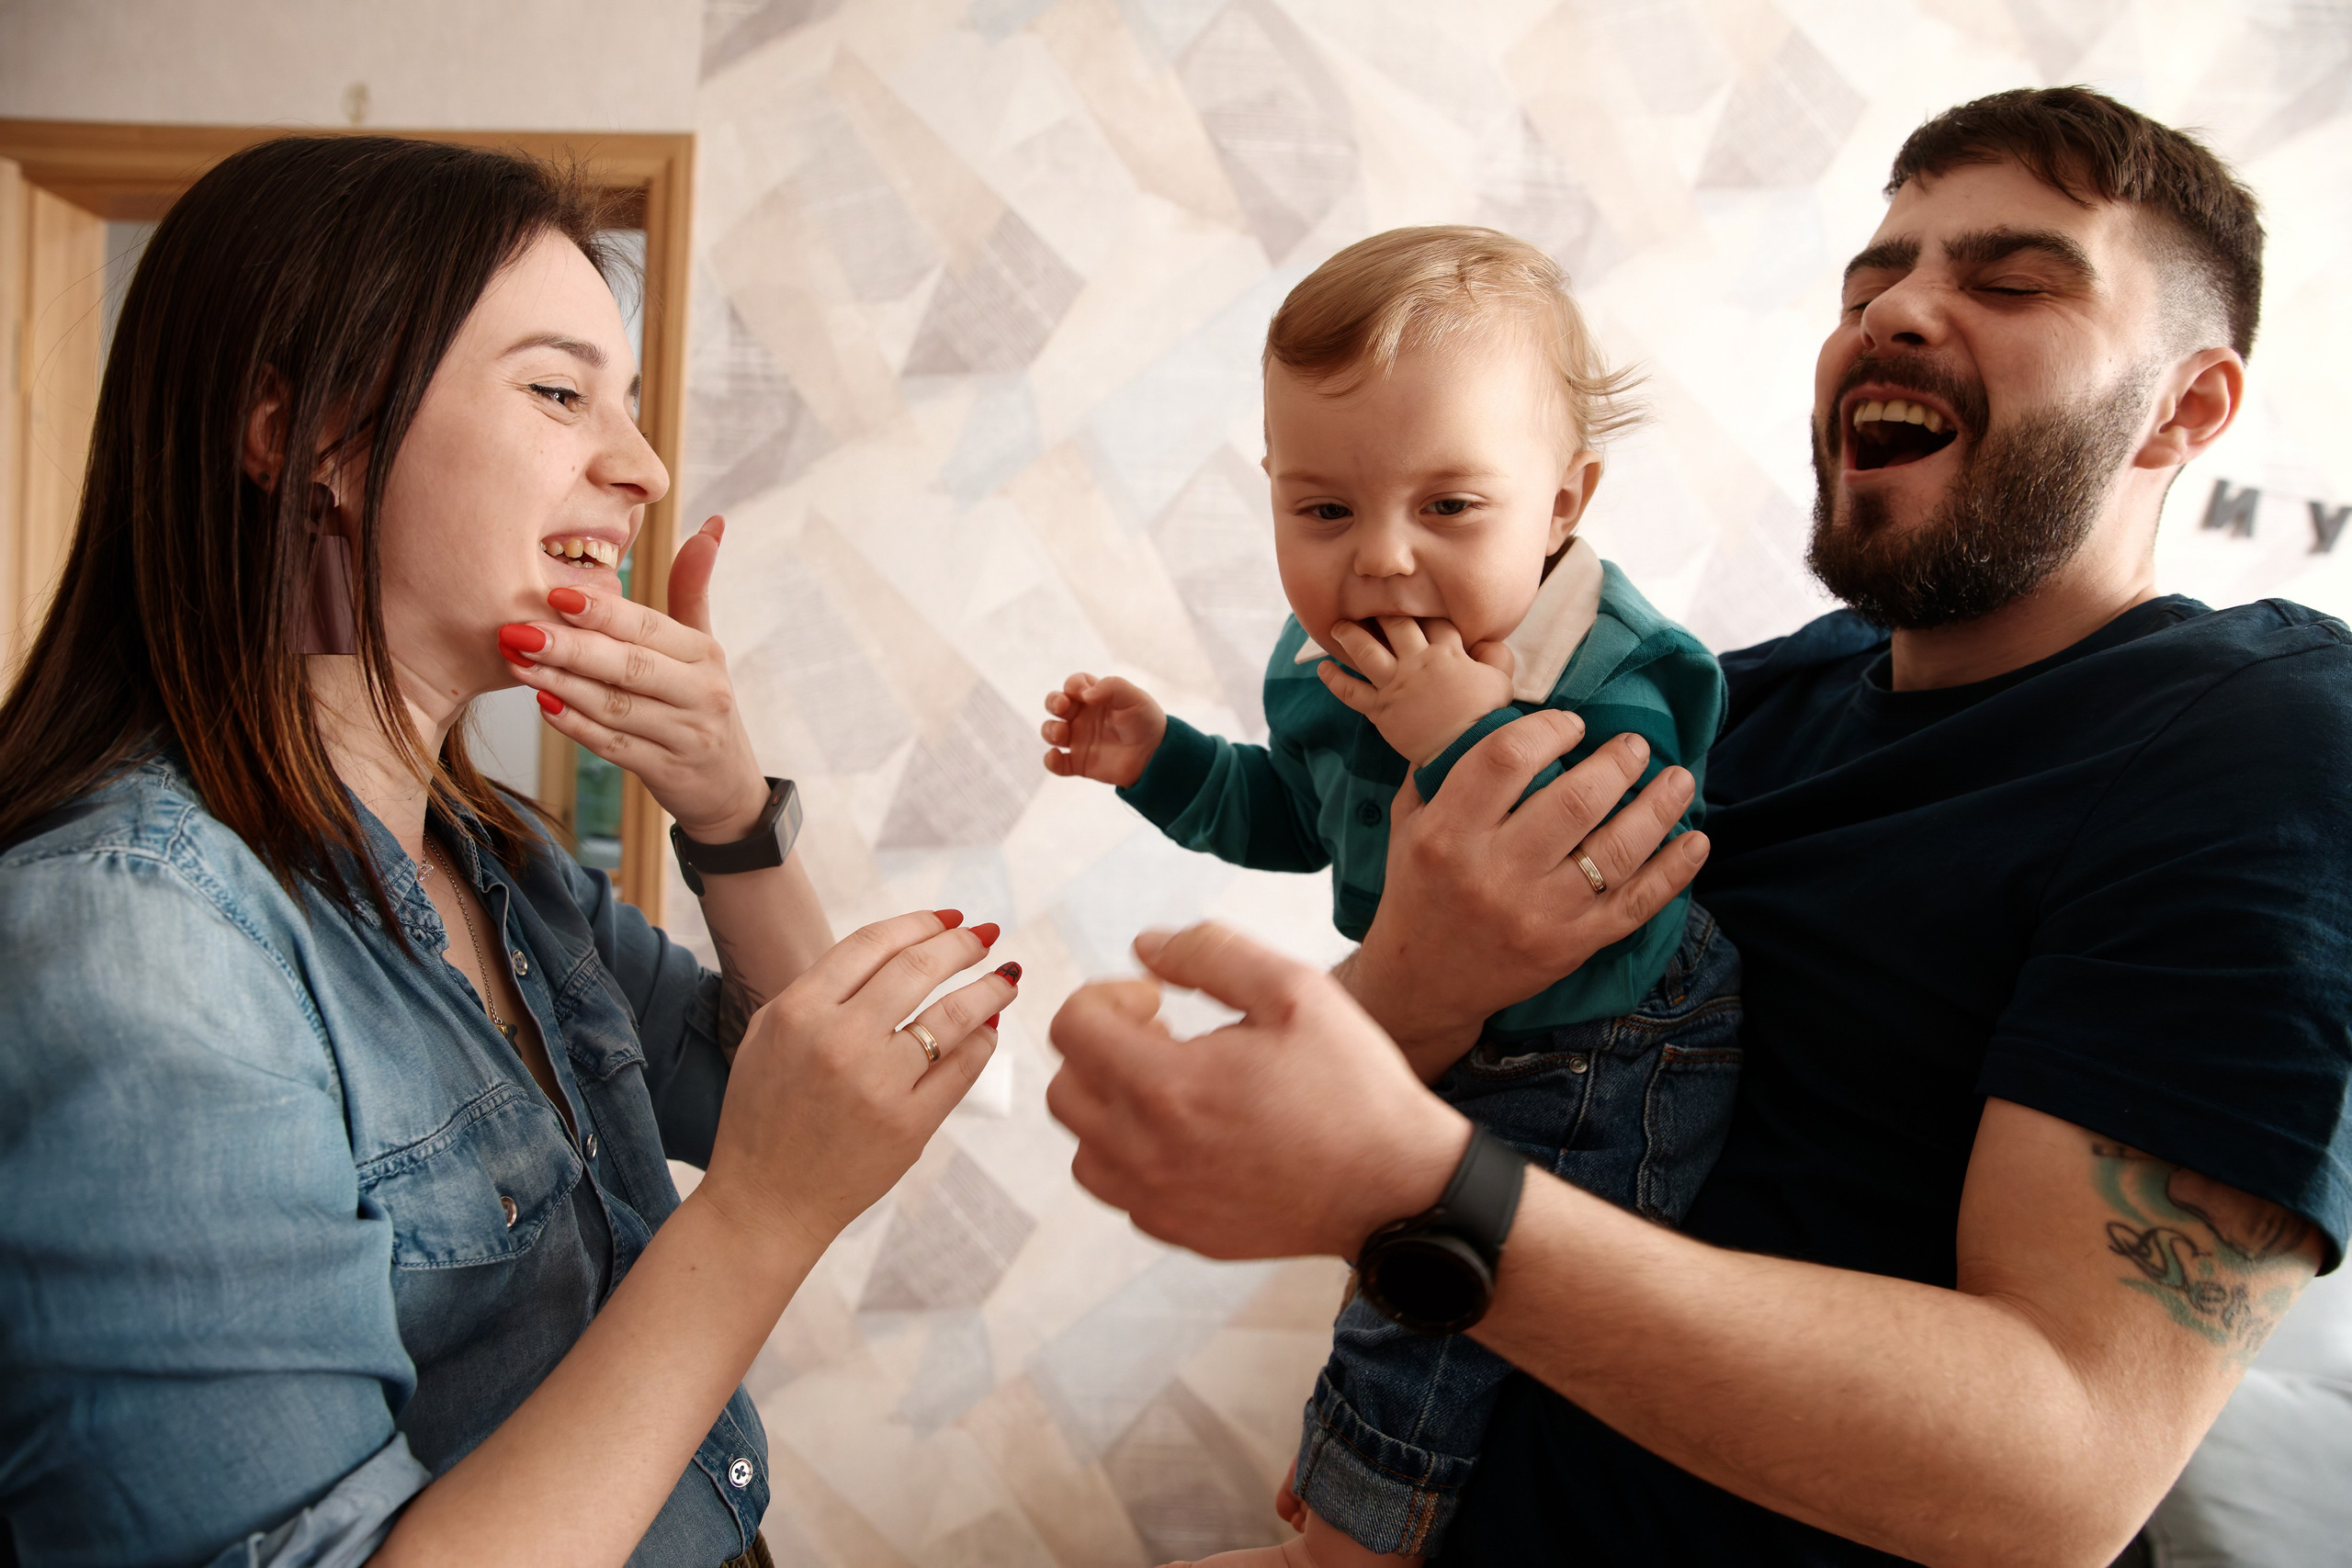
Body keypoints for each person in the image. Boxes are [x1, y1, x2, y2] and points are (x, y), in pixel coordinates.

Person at [1046, 86, 2352, 1568]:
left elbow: (2058, 1482)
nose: (1895, 313)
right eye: (1870, 283)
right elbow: (1474, 1072)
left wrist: (1420, 1196)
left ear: (2186, 406)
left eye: (2009, 282)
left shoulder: (2271, 738)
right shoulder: (1730, 706)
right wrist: (1409, 984)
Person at [0, 136, 1019, 1568]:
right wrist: (752, 1227)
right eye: (557, 392)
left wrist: (728, 812)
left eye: (627, 404)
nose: (643, 466)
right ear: (308, 439)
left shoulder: (501, 865)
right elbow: (777, 1165)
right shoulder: (136, 942)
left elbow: (798, 1090)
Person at [1038, 226, 1733, 1564]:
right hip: (1453, 1033)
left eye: (1450, 508)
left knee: (1443, 1303)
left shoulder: (1613, 670)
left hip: (1615, 1043)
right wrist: (1163, 760)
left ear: (1563, 503)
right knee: (1389, 1272)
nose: (1383, 560)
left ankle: (1358, 1523)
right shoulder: (1325, 666)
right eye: (1325, 512)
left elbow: (1603, 883)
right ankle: (1363, 1480)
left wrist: (1460, 731)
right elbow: (1294, 820)